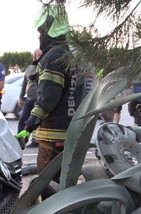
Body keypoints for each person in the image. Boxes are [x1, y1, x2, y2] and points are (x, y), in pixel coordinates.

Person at [15, 4, 91, 173]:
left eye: (41, 31)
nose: (39, 35)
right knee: (64, 186)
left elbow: (48, 99)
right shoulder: (72, 55)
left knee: (49, 188)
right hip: (70, 133)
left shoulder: (52, 57)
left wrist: (28, 127)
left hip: (52, 137)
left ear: (49, 30)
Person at [18, 48, 43, 147]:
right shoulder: (29, 68)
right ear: (34, 56)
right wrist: (21, 97)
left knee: (36, 121)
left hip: (39, 99)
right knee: (23, 119)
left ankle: (35, 141)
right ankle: (20, 140)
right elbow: (25, 83)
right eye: (38, 55)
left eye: (41, 54)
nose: (39, 56)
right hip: (29, 98)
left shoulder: (45, 67)